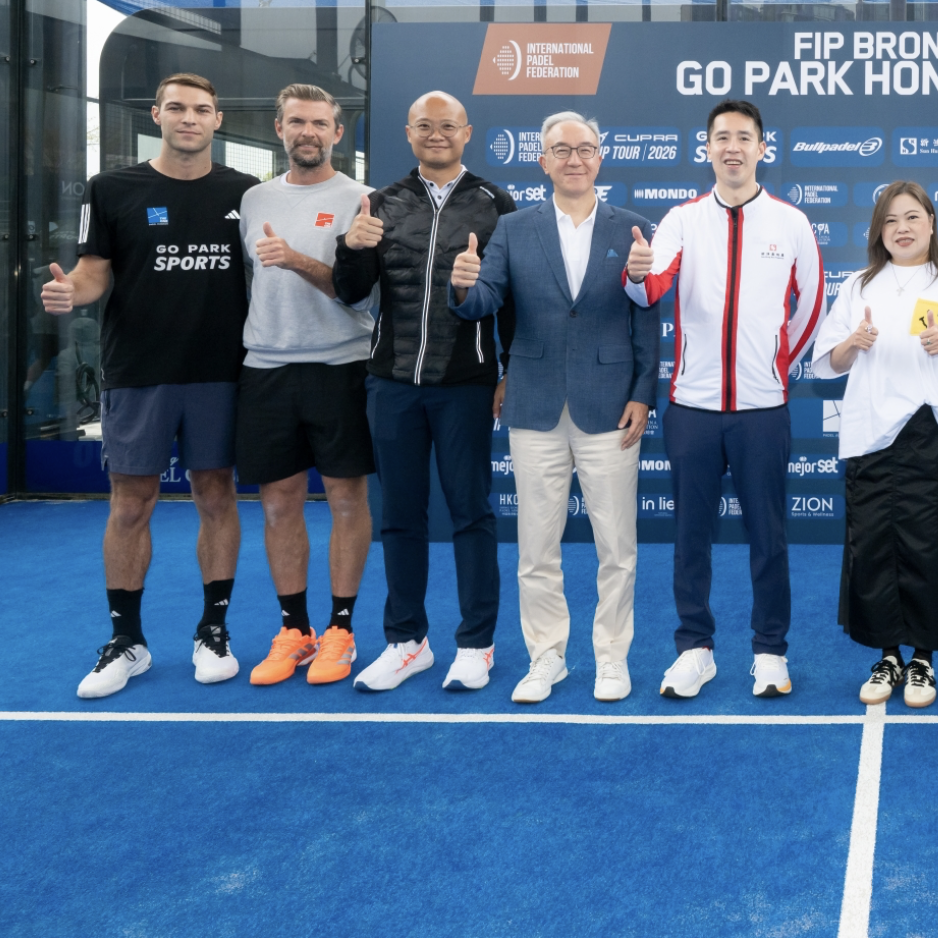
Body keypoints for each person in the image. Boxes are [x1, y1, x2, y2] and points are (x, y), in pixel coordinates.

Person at [47, 74, 259, 699]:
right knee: (130, 503)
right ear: (156, 115)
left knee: (216, 495)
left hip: (221, 371)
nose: (189, 118)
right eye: (177, 108)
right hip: (139, 372)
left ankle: (213, 632)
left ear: (217, 119)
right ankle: (127, 642)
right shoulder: (111, 188)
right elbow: (93, 272)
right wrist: (70, 292)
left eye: (201, 109)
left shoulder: (247, 192)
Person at [450, 111, 659, 704]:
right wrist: (463, 284)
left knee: (616, 547)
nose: (574, 159)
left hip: (610, 406)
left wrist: (643, 392)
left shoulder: (634, 228)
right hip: (533, 402)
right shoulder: (513, 228)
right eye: (561, 150)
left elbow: (647, 317)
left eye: (585, 148)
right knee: (536, 547)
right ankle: (547, 656)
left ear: (600, 158)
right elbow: (485, 301)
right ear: (543, 161)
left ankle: (611, 658)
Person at [625, 99, 824, 700]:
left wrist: (775, 368)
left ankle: (770, 652)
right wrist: (635, 274)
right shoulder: (682, 220)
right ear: (707, 148)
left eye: (743, 137)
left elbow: (812, 306)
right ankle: (695, 649)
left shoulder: (791, 222)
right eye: (721, 137)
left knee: (769, 537)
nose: (732, 147)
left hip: (763, 412)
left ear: (763, 147)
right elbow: (650, 291)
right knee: (691, 537)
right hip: (692, 409)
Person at [332, 91, 516, 693]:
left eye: (447, 126)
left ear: (467, 132)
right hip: (391, 386)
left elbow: (511, 301)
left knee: (471, 514)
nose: (436, 135)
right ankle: (406, 642)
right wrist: (351, 248)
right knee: (400, 516)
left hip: (465, 387)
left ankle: (477, 644)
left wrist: (509, 370)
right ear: (409, 133)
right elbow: (350, 292)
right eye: (425, 126)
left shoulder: (495, 204)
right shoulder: (380, 202)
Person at [812, 182, 938, 708]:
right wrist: (853, 343)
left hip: (933, 431)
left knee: (931, 547)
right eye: (891, 220)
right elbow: (827, 362)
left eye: (913, 217)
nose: (903, 228)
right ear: (878, 231)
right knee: (874, 547)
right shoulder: (859, 285)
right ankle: (888, 656)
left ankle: (922, 660)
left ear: (932, 224)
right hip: (872, 434)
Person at [236, 85, 380, 688]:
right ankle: (295, 630)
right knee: (277, 504)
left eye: (320, 123)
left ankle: (341, 630)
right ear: (279, 128)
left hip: (341, 366)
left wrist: (295, 258)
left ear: (337, 133)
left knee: (347, 501)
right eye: (297, 121)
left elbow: (359, 294)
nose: (308, 132)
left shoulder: (361, 199)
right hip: (266, 369)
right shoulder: (253, 199)